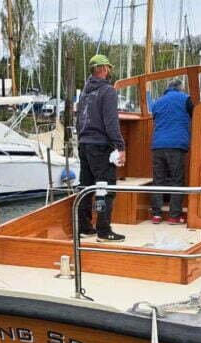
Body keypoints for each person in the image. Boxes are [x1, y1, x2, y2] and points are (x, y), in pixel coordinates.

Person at [76, 54, 126, 242]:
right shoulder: (108, 91)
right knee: (104, 188)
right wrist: (120, 147)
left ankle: (84, 227)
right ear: (104, 69)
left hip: (84, 145)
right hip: (100, 147)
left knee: (86, 187)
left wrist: (81, 140)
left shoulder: (85, 92)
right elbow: (111, 123)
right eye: (109, 69)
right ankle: (104, 231)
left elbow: (79, 119)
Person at [149, 78, 193, 225]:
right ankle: (174, 216)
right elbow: (195, 114)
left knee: (158, 180)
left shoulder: (158, 102)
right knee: (176, 180)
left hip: (158, 146)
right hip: (176, 145)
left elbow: (154, 117)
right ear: (181, 88)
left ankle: (156, 215)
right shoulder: (186, 99)